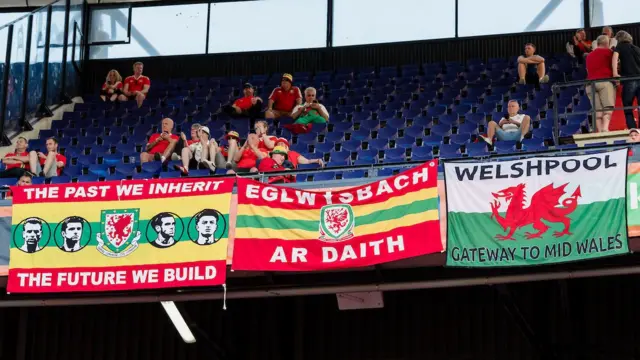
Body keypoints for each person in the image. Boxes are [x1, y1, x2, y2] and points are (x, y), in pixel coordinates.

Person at [586, 35, 615, 132]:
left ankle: (599, 131)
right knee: (608, 106)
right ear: (607, 43)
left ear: (597, 43)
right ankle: (605, 128)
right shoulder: (609, 52)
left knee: (597, 109)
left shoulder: (589, 55)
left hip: (590, 84)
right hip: (604, 82)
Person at [613, 31, 640, 129]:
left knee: (627, 106)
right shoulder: (636, 48)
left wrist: (615, 74)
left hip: (629, 80)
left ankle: (632, 129)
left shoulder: (620, 46)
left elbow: (615, 58)